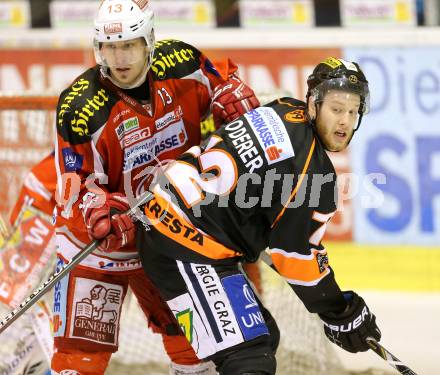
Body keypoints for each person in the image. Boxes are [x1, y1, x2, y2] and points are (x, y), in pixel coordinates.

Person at [133, 57, 382, 375]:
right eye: (336, 109)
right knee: (251, 358)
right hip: (185, 245)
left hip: (166, 222)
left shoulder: (281, 107)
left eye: (352, 110)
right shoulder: (312, 172)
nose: (345, 121)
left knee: (263, 334)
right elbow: (295, 258)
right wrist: (340, 310)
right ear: (313, 104)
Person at [52, 0, 259, 374]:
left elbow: (223, 85)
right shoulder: (80, 107)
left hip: (171, 235)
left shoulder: (182, 63)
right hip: (100, 246)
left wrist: (235, 100)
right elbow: (75, 182)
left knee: (197, 348)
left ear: (149, 40)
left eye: (129, 45)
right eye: (109, 47)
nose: (119, 57)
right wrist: (99, 209)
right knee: (79, 361)